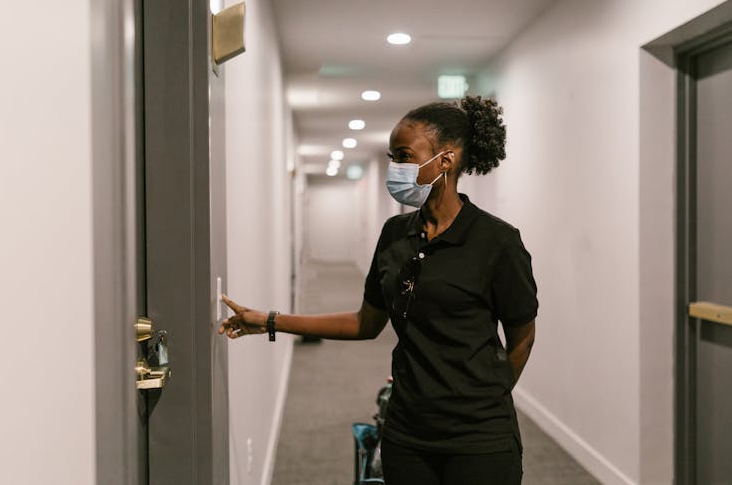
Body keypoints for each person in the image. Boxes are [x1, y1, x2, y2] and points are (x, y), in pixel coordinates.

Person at [218, 95, 537, 485]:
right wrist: (270, 321)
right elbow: (365, 322)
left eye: (404, 156)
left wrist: (489, 395)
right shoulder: (395, 235)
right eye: (392, 157)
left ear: (446, 160)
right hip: (408, 430)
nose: (395, 168)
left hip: (479, 438)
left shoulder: (496, 241)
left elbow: (522, 334)